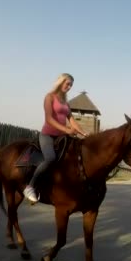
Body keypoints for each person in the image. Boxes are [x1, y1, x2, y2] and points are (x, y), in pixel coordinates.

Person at [23, 73, 88, 203]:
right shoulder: (49, 97)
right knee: (51, 158)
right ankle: (30, 186)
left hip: (62, 137)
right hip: (48, 135)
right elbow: (49, 119)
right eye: (67, 83)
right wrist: (67, 129)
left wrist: (84, 133)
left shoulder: (66, 103)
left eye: (71, 85)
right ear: (61, 82)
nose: (69, 87)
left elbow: (72, 120)